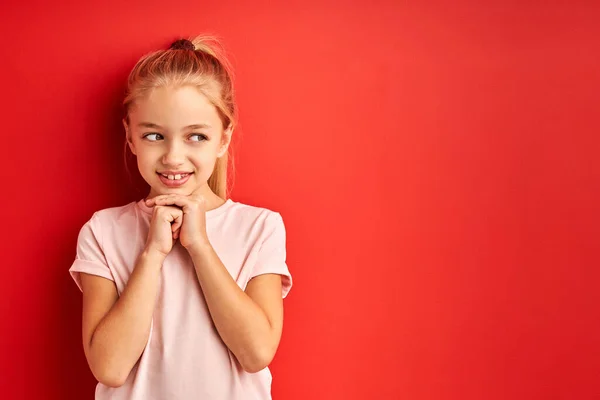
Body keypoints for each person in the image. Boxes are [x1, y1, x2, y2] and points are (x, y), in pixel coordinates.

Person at [69, 36, 293, 400]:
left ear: (223, 139)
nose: (173, 157)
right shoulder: (103, 231)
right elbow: (109, 367)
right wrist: (152, 254)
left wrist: (200, 246)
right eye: (155, 135)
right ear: (130, 135)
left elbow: (256, 353)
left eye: (196, 137)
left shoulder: (260, 228)